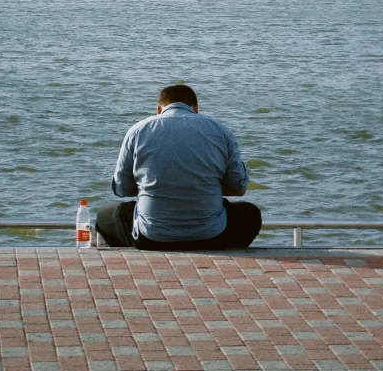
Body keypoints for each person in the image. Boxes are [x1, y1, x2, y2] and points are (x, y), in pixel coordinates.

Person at [95, 84, 262, 250]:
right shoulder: (221, 131)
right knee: (250, 213)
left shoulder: (137, 131)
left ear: (159, 110)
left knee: (105, 215)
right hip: (212, 237)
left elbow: (121, 189)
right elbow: (239, 188)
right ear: (195, 108)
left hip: (151, 238)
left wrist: (154, 186)